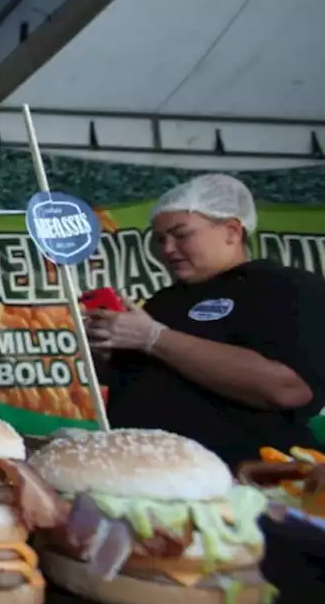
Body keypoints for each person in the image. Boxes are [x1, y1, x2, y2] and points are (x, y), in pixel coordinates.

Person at [86, 173, 325, 466]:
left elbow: (290, 389)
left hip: (249, 478)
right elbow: (125, 379)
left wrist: (156, 338)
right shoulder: (164, 300)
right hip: (148, 473)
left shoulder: (285, 287)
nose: (168, 249)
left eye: (181, 234)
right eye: (161, 239)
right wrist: (104, 350)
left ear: (232, 231)